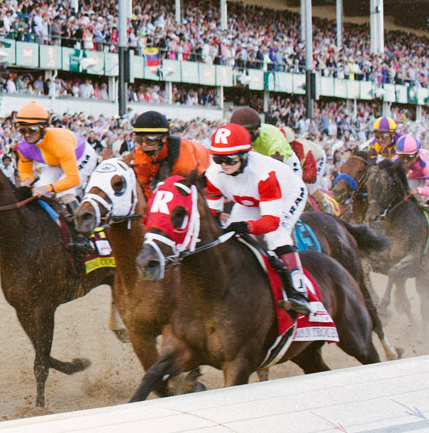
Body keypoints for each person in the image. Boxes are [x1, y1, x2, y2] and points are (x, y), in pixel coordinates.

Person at [204, 123, 311, 317]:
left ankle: (298, 291)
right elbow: (213, 212)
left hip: (287, 192)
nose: (224, 164)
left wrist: (247, 226)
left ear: (245, 155)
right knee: (228, 235)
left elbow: (271, 222)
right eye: (218, 158)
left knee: (276, 236)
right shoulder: (213, 173)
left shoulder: (264, 174)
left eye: (229, 158)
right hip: (250, 198)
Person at [12, 101, 97, 242]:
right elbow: (25, 169)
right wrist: (26, 181)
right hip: (57, 162)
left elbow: (73, 179)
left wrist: (48, 188)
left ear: (43, 128)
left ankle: (83, 234)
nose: (27, 135)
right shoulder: (23, 147)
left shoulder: (59, 143)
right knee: (37, 192)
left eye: (32, 130)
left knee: (64, 192)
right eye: (22, 130)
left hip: (81, 156)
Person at [125, 110, 209, 199]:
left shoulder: (184, 160)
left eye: (150, 140)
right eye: (139, 139)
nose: (144, 145)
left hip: (203, 170)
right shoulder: (140, 158)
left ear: (164, 138)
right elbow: (145, 191)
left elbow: (195, 191)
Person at [394, 134, 429, 244]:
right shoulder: (395, 161)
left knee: (428, 197)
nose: (405, 161)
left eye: (409, 157)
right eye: (402, 157)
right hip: (415, 174)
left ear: (417, 154)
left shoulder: (426, 163)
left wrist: (417, 191)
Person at [227, 106, 301, 178]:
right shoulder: (238, 137)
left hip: (287, 164)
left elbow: (276, 164)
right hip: (265, 161)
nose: (257, 131)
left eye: (257, 128)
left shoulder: (270, 135)